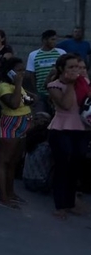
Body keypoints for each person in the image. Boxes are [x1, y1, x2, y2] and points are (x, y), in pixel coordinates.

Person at [46, 54, 88, 220]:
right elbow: (66, 104)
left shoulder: (84, 84)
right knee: (63, 165)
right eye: (71, 67)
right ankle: (60, 205)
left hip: (82, 128)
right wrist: (70, 84)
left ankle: (70, 203)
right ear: (62, 69)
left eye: (77, 67)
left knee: (76, 166)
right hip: (62, 128)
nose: (75, 71)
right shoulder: (54, 86)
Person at [0, 58, 33, 209]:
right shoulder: (3, 87)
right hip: (9, 124)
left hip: (23, 123)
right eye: (19, 70)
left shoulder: (16, 85)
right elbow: (14, 104)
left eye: (23, 70)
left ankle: (11, 192)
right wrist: (18, 84)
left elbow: (27, 99)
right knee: (4, 160)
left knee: (13, 161)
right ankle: (3, 196)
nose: (22, 73)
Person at [26, 30, 66, 112]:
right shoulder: (33, 55)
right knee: (41, 117)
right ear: (44, 40)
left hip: (58, 92)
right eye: (52, 39)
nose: (55, 42)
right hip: (41, 93)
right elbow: (32, 74)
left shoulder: (61, 53)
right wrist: (36, 91)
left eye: (55, 39)